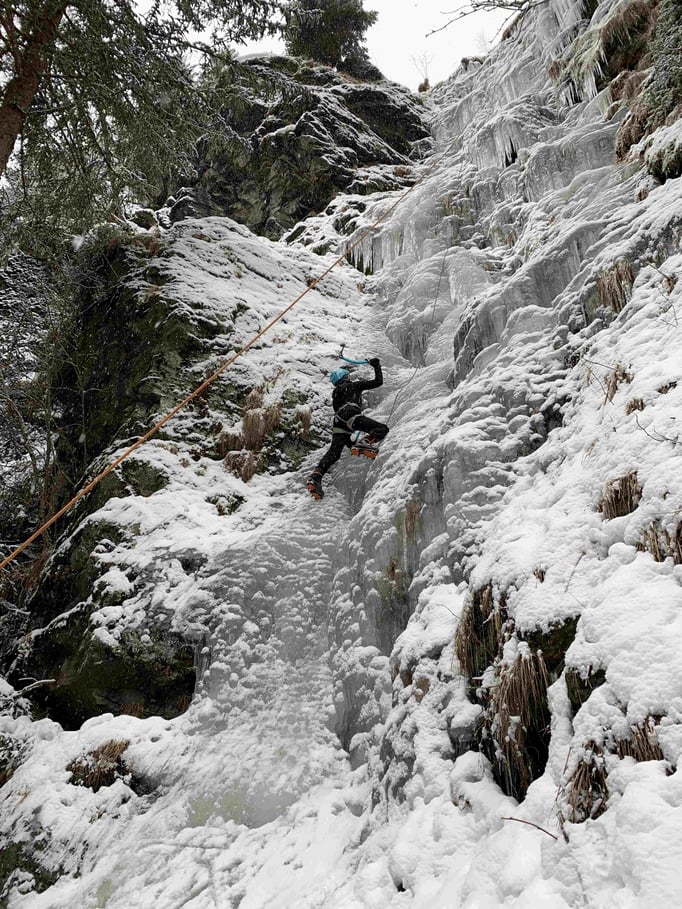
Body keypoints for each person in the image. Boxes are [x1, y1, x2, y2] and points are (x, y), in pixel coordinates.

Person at [306, 357, 389, 500]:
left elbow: (346, 436)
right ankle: (365, 443)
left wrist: (352, 445)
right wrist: (376, 365)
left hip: (339, 422)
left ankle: (316, 476)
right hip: (351, 414)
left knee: (334, 453)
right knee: (381, 428)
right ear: (345, 378)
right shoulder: (353, 386)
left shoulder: (336, 394)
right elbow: (378, 382)